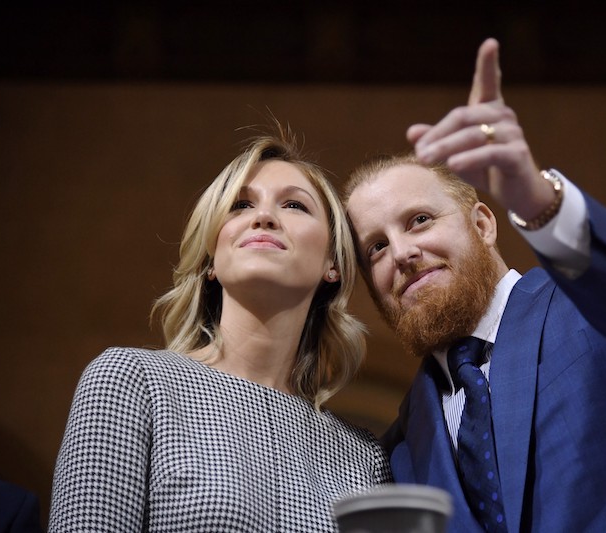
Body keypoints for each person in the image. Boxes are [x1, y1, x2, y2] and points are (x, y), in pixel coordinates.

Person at [343, 38, 606, 532]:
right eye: (376, 248)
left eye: (419, 220)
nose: (402, 254)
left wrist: (538, 199)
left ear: (482, 225)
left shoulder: (597, 309)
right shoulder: (399, 451)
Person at [50, 126, 393, 532]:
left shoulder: (364, 458)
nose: (263, 216)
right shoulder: (132, 382)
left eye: (295, 206)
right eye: (240, 205)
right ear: (212, 259)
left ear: (331, 264)